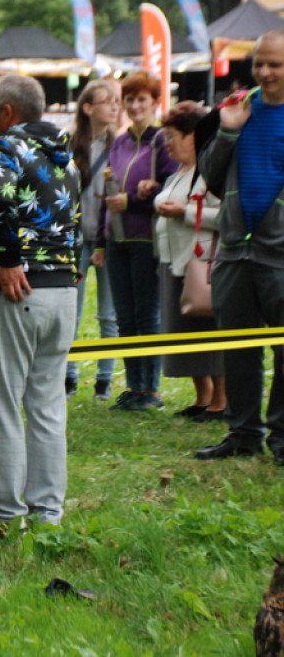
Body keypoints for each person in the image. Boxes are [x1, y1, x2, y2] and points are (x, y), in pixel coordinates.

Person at [0, 74, 81, 532]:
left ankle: (3, 513)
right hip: (63, 292)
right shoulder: (66, 157)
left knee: (1, 405)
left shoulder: (5, 148)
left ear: (8, 113)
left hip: (18, 289)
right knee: (48, 405)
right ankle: (47, 513)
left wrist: (9, 259)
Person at [194, 29, 284, 463]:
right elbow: (209, 177)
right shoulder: (238, 108)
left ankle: (282, 436)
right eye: (259, 64)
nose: (264, 73)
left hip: (279, 254)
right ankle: (243, 434)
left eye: (275, 65)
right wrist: (228, 131)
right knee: (239, 347)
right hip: (234, 249)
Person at [94, 71, 178, 411]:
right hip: (117, 239)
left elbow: (173, 185)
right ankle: (133, 385)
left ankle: (151, 389)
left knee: (147, 314)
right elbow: (109, 194)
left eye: (142, 99)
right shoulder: (120, 141)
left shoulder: (162, 141)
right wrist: (101, 241)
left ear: (154, 102)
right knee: (125, 316)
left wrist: (136, 200)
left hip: (147, 238)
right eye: (129, 100)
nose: (135, 105)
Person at [153, 101, 225, 422]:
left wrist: (183, 212)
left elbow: (226, 217)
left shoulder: (213, 173)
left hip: (202, 265)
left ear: (194, 135)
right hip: (175, 263)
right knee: (186, 334)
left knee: (209, 333)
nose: (167, 143)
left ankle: (221, 402)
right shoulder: (180, 172)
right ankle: (203, 398)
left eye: (172, 136)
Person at [65, 81, 121, 400]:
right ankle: (69, 377)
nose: (115, 107)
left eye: (117, 101)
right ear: (88, 108)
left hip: (108, 239)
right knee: (71, 311)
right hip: (74, 241)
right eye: (107, 101)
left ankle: (105, 379)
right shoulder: (69, 145)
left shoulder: (121, 145)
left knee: (108, 314)